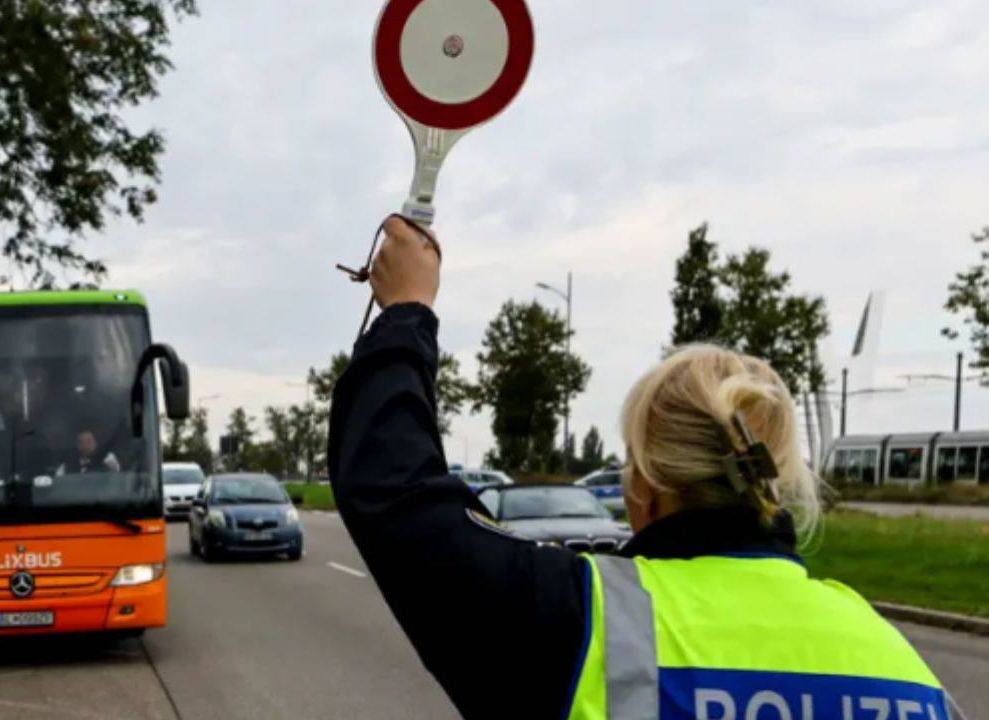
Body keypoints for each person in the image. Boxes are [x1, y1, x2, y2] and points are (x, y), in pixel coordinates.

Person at [328, 216, 962, 720]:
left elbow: (398, 496)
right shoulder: (898, 664)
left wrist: (408, 310)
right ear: (775, 478)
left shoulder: (581, 619)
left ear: (647, 485)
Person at [56, 428, 120, 475]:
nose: (85, 445)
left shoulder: (107, 458)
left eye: (89, 441)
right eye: (81, 442)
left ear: (95, 443)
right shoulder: (68, 464)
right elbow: (58, 480)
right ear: (77, 445)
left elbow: (116, 475)